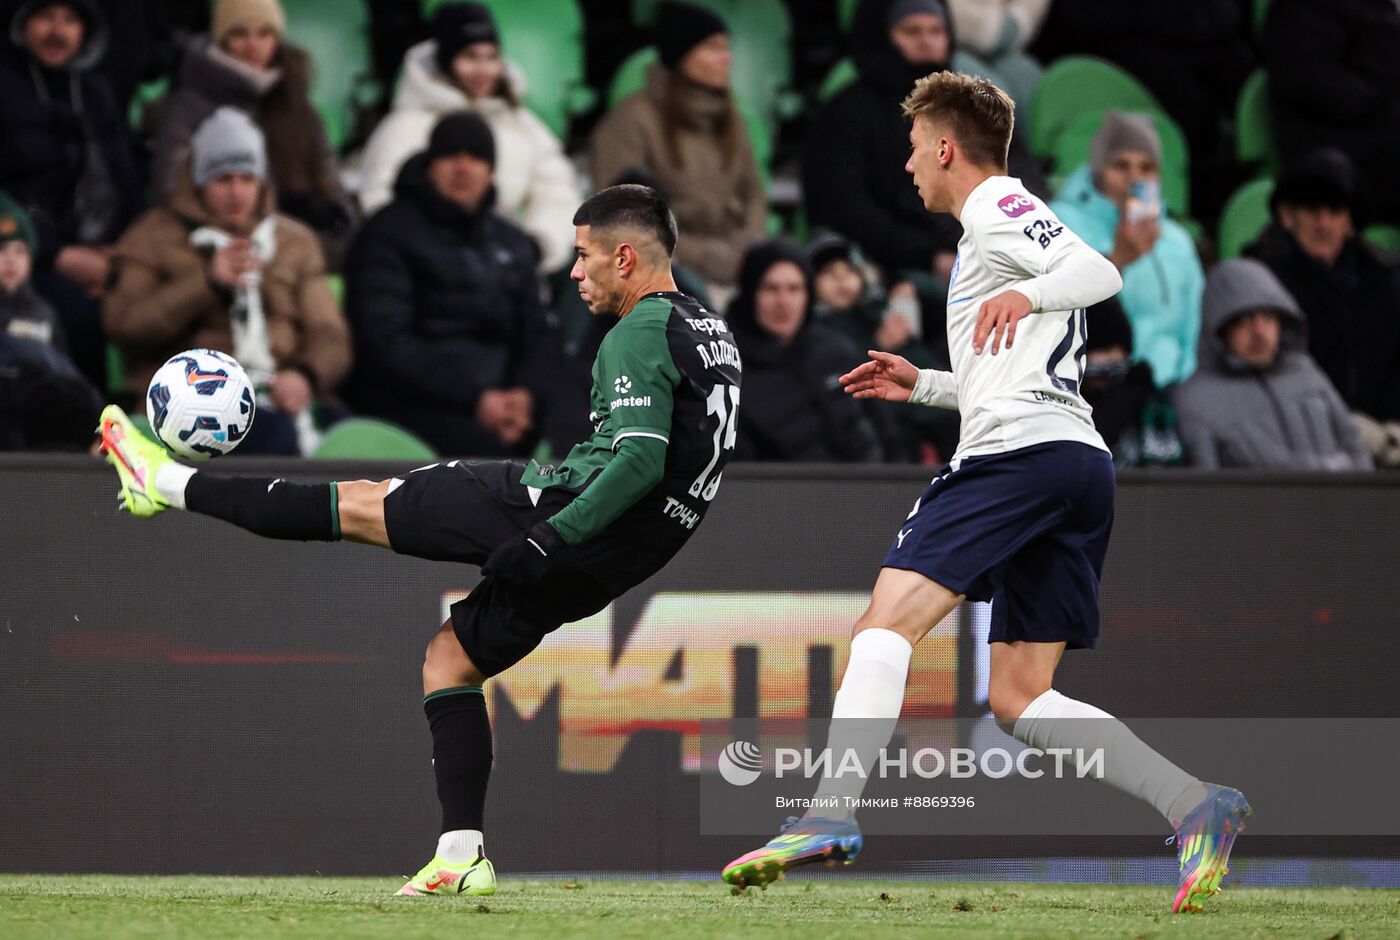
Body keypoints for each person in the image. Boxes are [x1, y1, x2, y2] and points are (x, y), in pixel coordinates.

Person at [96, 183, 744, 897]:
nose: (573, 272)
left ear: (626, 257)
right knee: (450, 661)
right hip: (615, 558)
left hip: (561, 512)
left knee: (363, 505)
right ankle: (461, 854)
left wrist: (546, 538)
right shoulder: (712, 331)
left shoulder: (640, 330)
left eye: (584, 256)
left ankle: (162, 483)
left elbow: (639, 460)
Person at [722, 72, 1249, 915]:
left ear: (944, 147)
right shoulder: (992, 231)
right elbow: (1012, 372)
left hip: (1019, 459)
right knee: (1017, 697)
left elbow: (1096, 272)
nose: (906, 167)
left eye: (911, 148)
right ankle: (1195, 804)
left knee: (881, 626)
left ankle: (829, 814)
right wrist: (925, 382)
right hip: (1074, 462)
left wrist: (1027, 290)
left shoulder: (999, 206)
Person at [103, 108, 351, 456]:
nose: (237, 192)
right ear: (199, 182)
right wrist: (206, 282)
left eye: (247, 179)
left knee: (356, 442)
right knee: (274, 436)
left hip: (283, 391)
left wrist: (305, 376)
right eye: (223, 180)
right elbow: (125, 324)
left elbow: (329, 333)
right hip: (192, 401)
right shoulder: (152, 236)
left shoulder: (293, 240)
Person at [805, 0, 1046, 328]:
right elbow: (844, 208)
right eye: (911, 31)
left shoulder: (975, 108)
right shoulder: (847, 113)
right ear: (883, 36)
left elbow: (1020, 176)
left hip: (989, 255)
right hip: (896, 268)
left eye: (937, 30)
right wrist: (931, 257)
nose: (927, 40)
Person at [342, 112, 560, 458]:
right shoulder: (387, 233)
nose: (463, 167)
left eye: (476, 158)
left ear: (491, 172)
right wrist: (474, 398)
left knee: (582, 429)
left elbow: (538, 333)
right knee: (491, 458)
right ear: (430, 163)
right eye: (450, 155)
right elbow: (384, 343)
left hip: (503, 402)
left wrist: (525, 395)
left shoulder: (510, 240)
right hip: (413, 402)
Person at [357, 2, 580, 274]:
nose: (483, 70)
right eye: (470, 57)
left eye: (491, 57)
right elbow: (382, 203)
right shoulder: (406, 127)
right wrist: (440, 256)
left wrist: (537, 245)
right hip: (432, 273)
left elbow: (557, 191)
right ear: (446, 61)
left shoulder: (522, 123)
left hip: (512, 268)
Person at [0, 0, 139, 386]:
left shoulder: (97, 91)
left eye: (70, 20)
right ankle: (85, 432)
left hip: (107, 255)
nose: (57, 31)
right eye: (46, 17)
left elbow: (125, 179)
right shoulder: (6, 87)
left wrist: (118, 253)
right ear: (23, 24)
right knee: (75, 314)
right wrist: (58, 253)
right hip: (27, 253)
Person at [150, 0, 353, 261]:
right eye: (239, 33)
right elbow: (171, 190)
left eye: (264, 33)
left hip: (302, 248)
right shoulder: (190, 107)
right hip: (217, 251)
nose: (253, 45)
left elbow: (328, 178)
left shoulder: (297, 104)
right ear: (221, 39)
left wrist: (336, 222)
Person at [590, 0, 766, 301]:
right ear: (683, 54)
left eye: (726, 48)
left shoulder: (733, 119)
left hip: (739, 264)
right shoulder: (630, 121)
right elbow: (623, 217)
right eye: (713, 48)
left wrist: (748, 246)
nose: (727, 59)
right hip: (670, 272)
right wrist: (699, 254)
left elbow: (754, 194)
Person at [1245, 149, 1400, 468]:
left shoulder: (1387, 286)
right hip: (1301, 452)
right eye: (1312, 209)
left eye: (1335, 210)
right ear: (1288, 216)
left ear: (1351, 222)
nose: (1324, 223)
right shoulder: (1261, 282)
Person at [1171, 259, 1372, 472]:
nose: (1259, 332)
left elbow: (1356, 449)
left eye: (1268, 317)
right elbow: (1205, 495)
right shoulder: (1195, 401)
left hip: (1341, 502)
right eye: (1243, 320)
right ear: (1219, 329)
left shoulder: (1306, 372)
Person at [1050, 111, 1204, 387]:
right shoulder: (1061, 222)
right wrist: (1118, 258)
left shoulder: (1177, 240)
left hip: (1171, 388)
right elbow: (1055, 309)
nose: (1134, 178)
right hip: (1098, 384)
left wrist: (1186, 383)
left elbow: (1194, 324)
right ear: (1098, 170)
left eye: (1146, 168)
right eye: (1121, 166)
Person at [727, 240, 884, 462]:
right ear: (750, 294)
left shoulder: (838, 354)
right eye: (771, 289)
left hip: (867, 489)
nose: (783, 302)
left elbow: (887, 435)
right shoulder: (726, 368)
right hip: (780, 492)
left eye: (794, 289)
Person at [1262, 0, 1400, 224]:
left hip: (1380, 139)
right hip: (1335, 153)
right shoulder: (1298, 11)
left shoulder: (1379, 7)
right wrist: (1384, 95)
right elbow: (1315, 86)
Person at [1081, 297, 1182, 468]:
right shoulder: (1065, 402)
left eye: (1120, 351)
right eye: (1104, 350)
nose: (1114, 359)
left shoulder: (1147, 401)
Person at [0, 191, 67, 353]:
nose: (11, 260)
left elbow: (60, 369)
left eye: (20, 251)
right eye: (1, 250)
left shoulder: (43, 314)